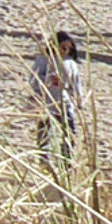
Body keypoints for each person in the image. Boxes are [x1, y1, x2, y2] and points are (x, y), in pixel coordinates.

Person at [29, 28, 85, 167]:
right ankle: (44, 160)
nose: (65, 51)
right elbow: (33, 81)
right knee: (44, 133)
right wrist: (48, 78)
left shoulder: (70, 63)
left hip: (64, 103)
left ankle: (66, 160)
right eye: (63, 47)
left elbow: (76, 82)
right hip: (46, 102)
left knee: (70, 132)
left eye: (68, 49)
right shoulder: (43, 59)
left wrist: (79, 97)